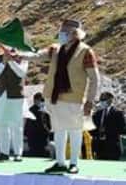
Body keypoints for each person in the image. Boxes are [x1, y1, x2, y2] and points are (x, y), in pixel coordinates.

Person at [20, 19, 101, 175]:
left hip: (75, 97)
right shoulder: (55, 49)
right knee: (58, 130)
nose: (61, 34)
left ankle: (74, 162)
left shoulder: (86, 51)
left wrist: (90, 101)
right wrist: (21, 55)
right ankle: (60, 162)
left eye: (65, 31)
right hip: (54, 97)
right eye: (62, 30)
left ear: (74, 34)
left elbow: (94, 78)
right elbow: (38, 55)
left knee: (75, 130)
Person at [0, 47, 29, 162]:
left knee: (17, 126)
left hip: (17, 96)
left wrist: (11, 61)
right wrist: (3, 62)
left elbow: (21, 73)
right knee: (3, 125)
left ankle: (18, 153)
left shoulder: (23, 57)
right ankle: (4, 153)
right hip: (2, 96)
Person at [92, 92, 125, 161]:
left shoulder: (118, 113)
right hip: (99, 147)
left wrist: (106, 130)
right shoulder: (97, 114)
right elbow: (92, 129)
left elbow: (121, 129)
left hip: (112, 147)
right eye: (101, 100)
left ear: (110, 100)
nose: (102, 102)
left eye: (104, 99)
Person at [25, 92, 52, 158]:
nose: (42, 102)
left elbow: (47, 123)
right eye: (41, 100)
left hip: (40, 137)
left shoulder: (44, 110)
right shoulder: (33, 110)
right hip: (35, 137)